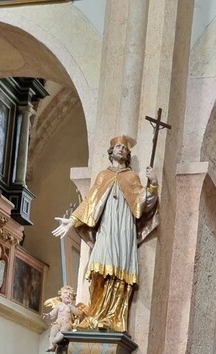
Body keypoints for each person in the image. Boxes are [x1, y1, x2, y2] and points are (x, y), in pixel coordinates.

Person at [52, 135, 158, 333]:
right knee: (99, 268)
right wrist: (72, 220)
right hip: (107, 227)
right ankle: (96, 313)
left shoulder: (132, 177)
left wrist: (153, 184)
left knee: (120, 270)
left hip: (124, 229)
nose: (121, 149)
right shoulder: (103, 176)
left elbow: (145, 204)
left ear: (128, 154)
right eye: (118, 147)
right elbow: (90, 202)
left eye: (124, 148)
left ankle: (114, 317)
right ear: (111, 151)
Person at [44, 285, 82, 352]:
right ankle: (51, 345)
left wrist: (71, 306)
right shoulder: (59, 306)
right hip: (58, 322)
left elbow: (78, 313)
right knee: (53, 330)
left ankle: (55, 341)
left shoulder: (71, 306)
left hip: (67, 323)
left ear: (73, 298)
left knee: (63, 330)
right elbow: (53, 314)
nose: (68, 295)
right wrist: (48, 315)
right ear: (61, 296)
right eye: (65, 293)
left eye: (70, 294)